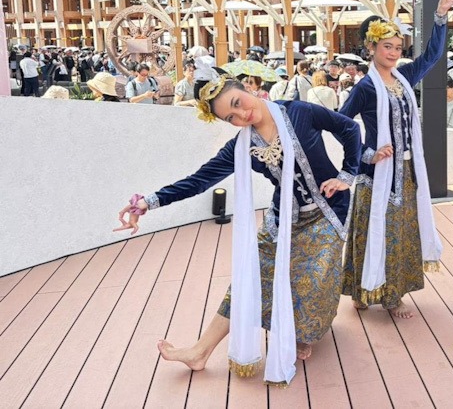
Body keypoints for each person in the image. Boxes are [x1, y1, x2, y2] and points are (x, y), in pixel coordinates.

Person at [113, 56, 361, 386]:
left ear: (247, 88)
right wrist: (147, 202)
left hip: (328, 212)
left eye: (237, 103)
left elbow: (349, 128)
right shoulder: (241, 147)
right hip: (283, 218)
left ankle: (302, 332)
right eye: (231, 117)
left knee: (313, 278)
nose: (242, 115)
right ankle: (199, 351)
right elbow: (199, 180)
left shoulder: (299, 112)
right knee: (249, 277)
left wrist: (347, 174)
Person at [339, 0, 453, 318]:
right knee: (371, 232)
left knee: (399, 233)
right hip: (376, 175)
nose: (394, 53)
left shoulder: (403, 77)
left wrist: (440, 16)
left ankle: (393, 296)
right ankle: (362, 290)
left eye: (397, 47)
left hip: (406, 173)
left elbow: (433, 56)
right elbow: (340, 124)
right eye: (387, 47)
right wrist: (366, 153)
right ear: (371, 48)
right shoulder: (365, 88)